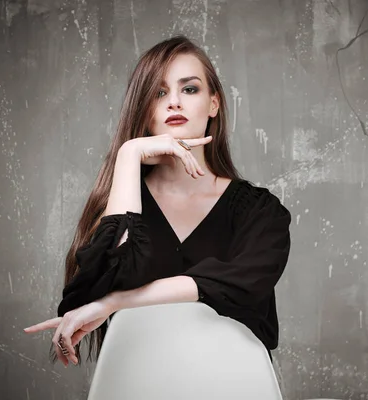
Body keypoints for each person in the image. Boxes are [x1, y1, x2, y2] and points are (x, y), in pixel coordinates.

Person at [23, 35, 291, 396]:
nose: (174, 102)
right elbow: (105, 277)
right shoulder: (122, 201)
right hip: (133, 381)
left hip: (234, 381)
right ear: (143, 111)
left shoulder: (261, 211)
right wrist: (129, 156)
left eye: (190, 89)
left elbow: (237, 282)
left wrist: (115, 302)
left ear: (214, 103)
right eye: (158, 92)